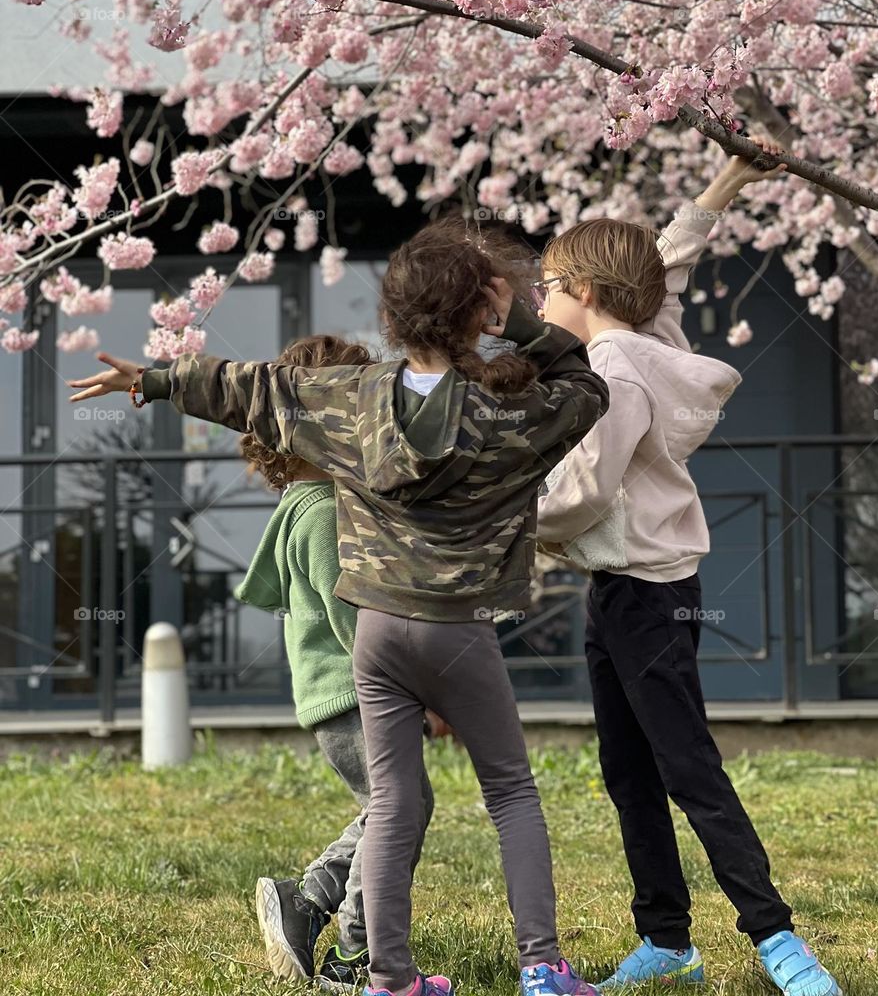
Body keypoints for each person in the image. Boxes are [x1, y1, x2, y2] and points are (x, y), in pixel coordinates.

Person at [67, 214, 610, 996]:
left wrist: (154, 380)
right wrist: (523, 325)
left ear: (393, 314)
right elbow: (586, 391)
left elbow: (250, 389)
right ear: (478, 315)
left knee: (391, 804)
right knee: (512, 792)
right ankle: (543, 967)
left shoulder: (347, 399)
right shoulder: (510, 418)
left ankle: (388, 978)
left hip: (377, 633)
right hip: (456, 630)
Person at [534, 146, 842, 996]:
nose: (539, 300)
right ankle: (666, 940)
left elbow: (585, 491)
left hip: (642, 595)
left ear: (585, 291)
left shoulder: (614, 371)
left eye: (548, 285)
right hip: (627, 592)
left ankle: (778, 939)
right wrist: (724, 184)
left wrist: (502, 522)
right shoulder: (646, 342)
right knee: (629, 770)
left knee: (687, 769)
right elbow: (664, 268)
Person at [234, 333, 436, 986]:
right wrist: (416, 692)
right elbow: (357, 626)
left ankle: (307, 903)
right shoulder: (323, 514)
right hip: (358, 698)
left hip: (346, 700)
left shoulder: (315, 506)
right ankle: (353, 955)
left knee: (396, 808)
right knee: (398, 813)